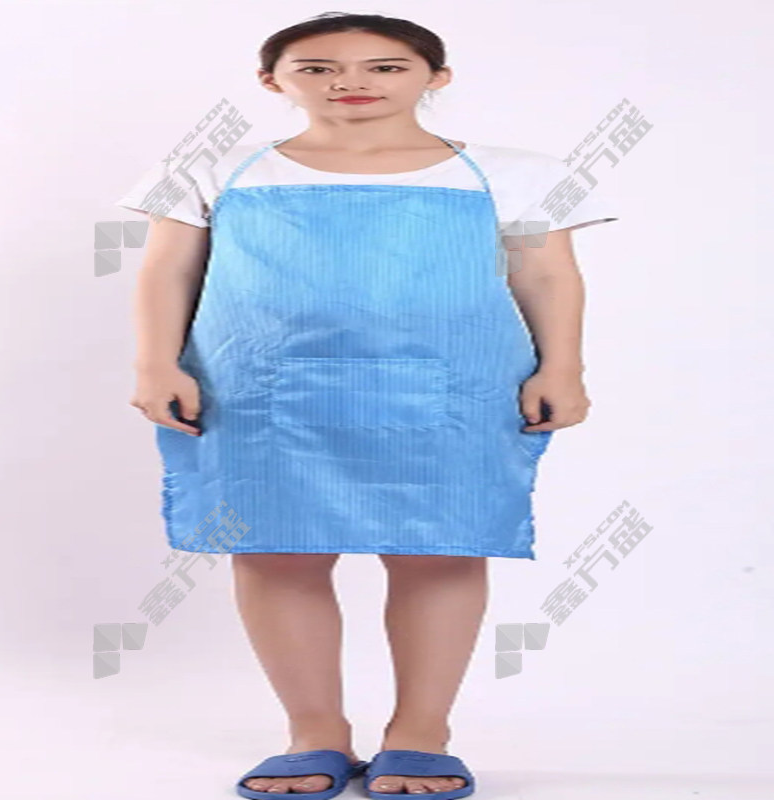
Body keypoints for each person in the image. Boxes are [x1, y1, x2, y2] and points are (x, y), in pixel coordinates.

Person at [116, 12, 618, 800]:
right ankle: (313, 731)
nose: (350, 83)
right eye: (316, 68)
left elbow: (548, 275)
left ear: (436, 77)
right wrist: (156, 363)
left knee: (441, 546)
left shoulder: (513, 173)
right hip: (258, 386)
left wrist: (563, 365)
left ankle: (421, 733)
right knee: (276, 548)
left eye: (385, 67)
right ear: (272, 81)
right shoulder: (210, 169)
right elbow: (168, 270)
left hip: (454, 384)